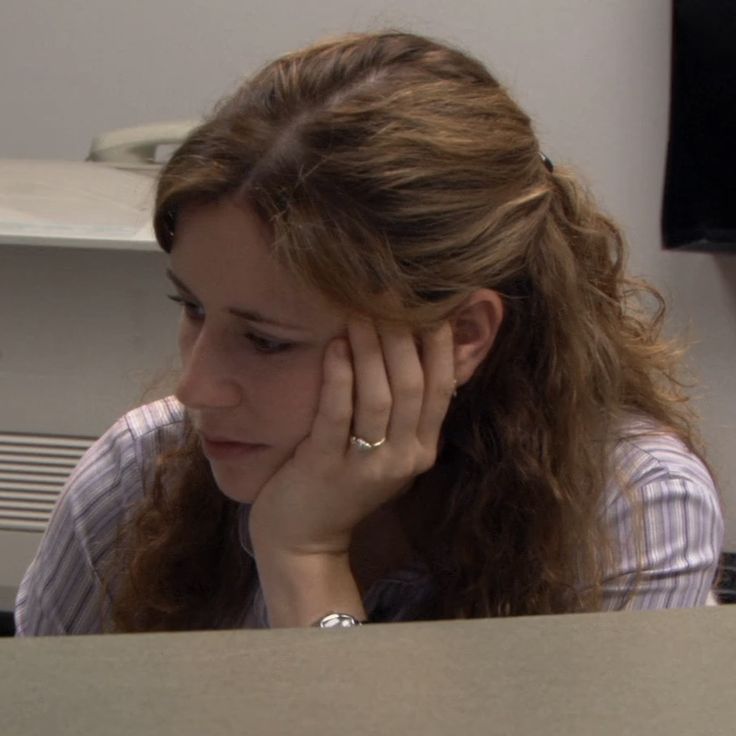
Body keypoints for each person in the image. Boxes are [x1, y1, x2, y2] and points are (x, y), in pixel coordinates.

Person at [15, 31, 723, 635]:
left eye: (267, 341)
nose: (197, 388)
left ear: (463, 336)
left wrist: (305, 558)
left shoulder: (631, 508)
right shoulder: (140, 474)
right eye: (193, 308)